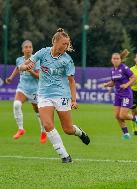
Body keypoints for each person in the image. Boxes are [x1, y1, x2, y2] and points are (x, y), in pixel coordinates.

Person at [19, 28, 90, 163]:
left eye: (67, 44)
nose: (66, 46)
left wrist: (74, 100)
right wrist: (25, 67)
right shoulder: (43, 52)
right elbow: (24, 65)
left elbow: (71, 81)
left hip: (62, 95)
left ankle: (80, 132)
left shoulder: (67, 60)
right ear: (55, 42)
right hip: (44, 94)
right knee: (47, 124)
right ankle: (65, 156)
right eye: (64, 43)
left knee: (68, 129)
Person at [5, 40, 47, 143]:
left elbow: (39, 76)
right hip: (23, 88)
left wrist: (30, 70)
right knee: (16, 105)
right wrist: (11, 77)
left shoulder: (36, 60)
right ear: (23, 49)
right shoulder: (19, 60)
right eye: (26, 47)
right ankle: (21, 129)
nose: (28, 49)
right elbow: (17, 68)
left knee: (39, 113)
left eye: (30, 47)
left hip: (35, 90)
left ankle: (43, 131)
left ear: (32, 49)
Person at [101, 49, 137, 140]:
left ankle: (135, 118)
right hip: (118, 95)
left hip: (126, 94)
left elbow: (134, 78)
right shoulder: (113, 71)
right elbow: (113, 82)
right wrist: (107, 84)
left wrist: (126, 85)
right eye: (114, 58)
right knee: (117, 116)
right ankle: (126, 134)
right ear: (111, 60)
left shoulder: (124, 68)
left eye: (117, 58)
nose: (115, 60)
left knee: (122, 115)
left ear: (120, 60)